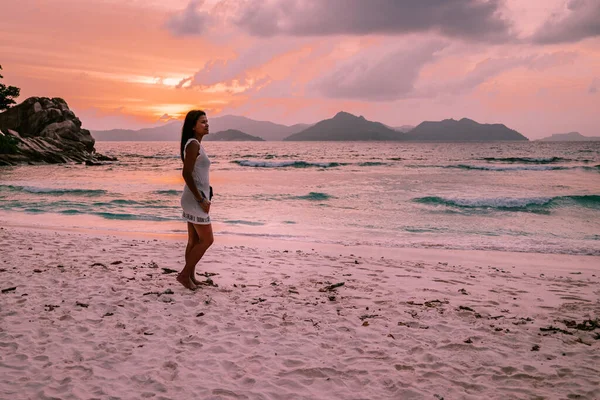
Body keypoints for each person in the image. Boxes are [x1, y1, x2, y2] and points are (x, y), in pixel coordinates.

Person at [177, 110, 214, 290]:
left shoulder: (196, 144)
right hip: (195, 199)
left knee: (193, 241)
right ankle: (184, 275)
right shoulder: (193, 144)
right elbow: (185, 173)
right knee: (207, 240)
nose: (206, 124)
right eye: (202, 122)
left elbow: (197, 174)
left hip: (195, 197)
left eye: (207, 121)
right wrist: (200, 199)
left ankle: (190, 277)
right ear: (193, 126)